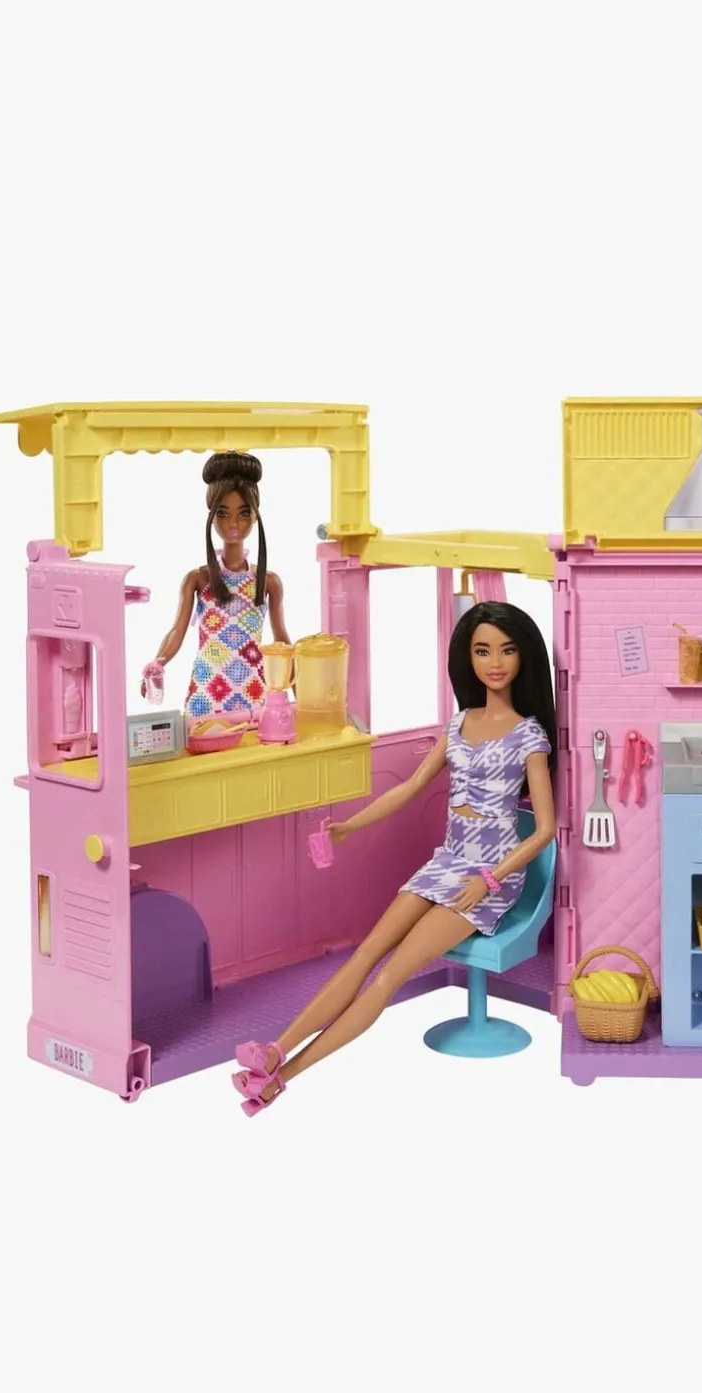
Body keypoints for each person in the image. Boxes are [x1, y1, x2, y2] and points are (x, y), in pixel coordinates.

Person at [231, 601, 557, 1113]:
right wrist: (349, 827)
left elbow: (544, 830)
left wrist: (490, 880)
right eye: (483, 651)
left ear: (523, 657)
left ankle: (281, 1078)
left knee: (388, 977)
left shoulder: (528, 735)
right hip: (446, 863)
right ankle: (274, 1050)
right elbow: (408, 788)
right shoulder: (459, 724)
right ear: (467, 658)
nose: (495, 662)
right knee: (365, 955)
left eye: (507, 650)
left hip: (487, 879)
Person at [140, 452, 290, 715]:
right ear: (212, 516)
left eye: (243, 513)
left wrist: (304, 695)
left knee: (253, 740)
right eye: (223, 513)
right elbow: (177, 631)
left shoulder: (268, 582)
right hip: (206, 694)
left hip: (253, 693)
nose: (233, 523)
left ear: (255, 516)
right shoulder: (198, 580)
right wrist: (158, 662)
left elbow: (282, 644)